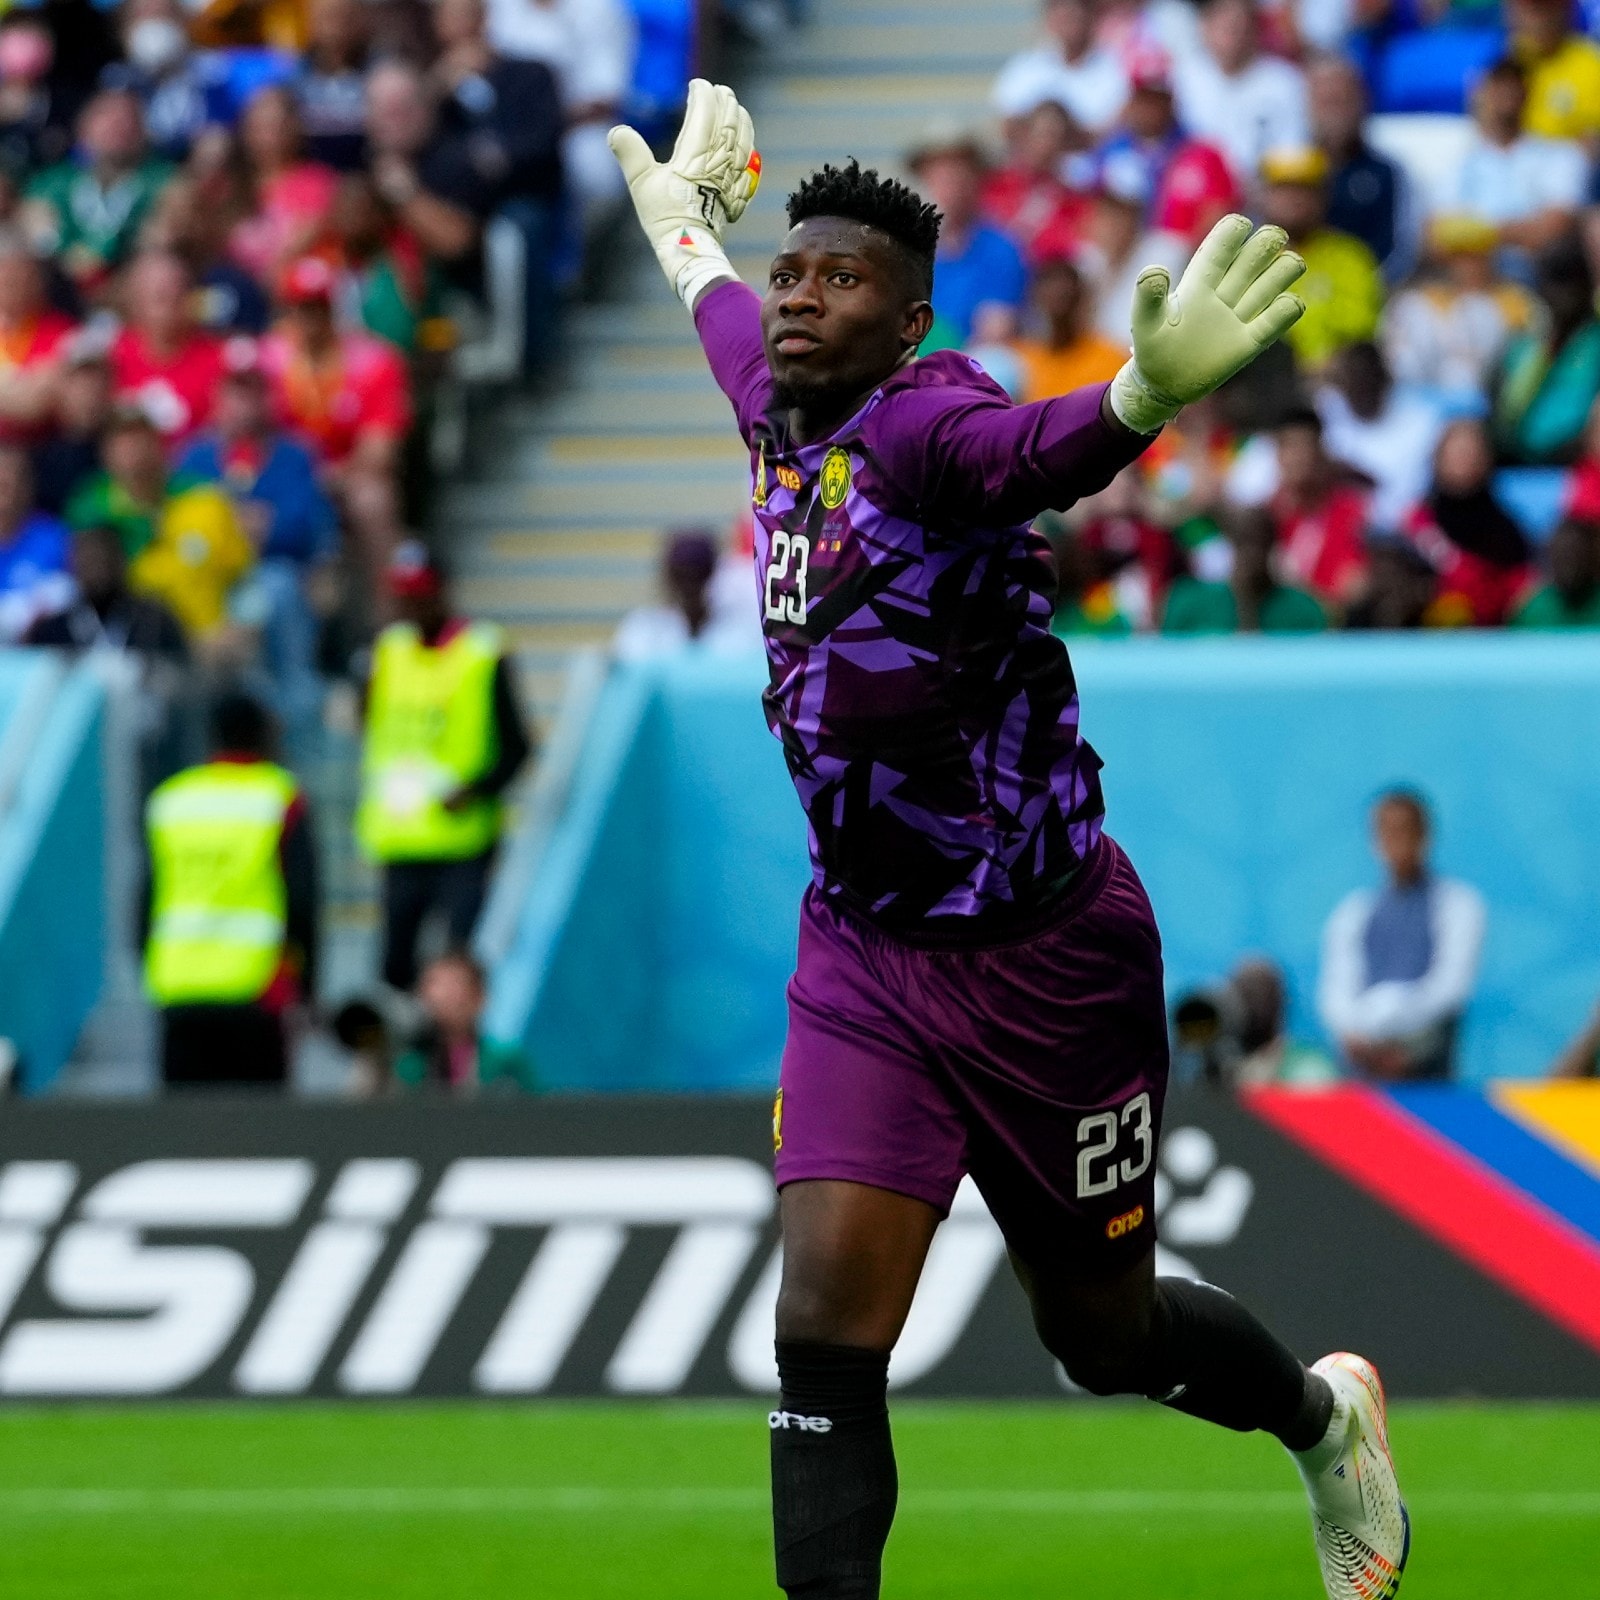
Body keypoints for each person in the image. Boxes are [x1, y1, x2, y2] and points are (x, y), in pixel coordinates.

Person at [611, 78, 1407, 1600]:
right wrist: (691, 236)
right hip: (863, 954)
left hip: (1049, 962)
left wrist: (1137, 401)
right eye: (794, 272)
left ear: (907, 323)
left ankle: (1323, 1418)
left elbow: (1034, 454)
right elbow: (718, 306)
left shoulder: (929, 426)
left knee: (1100, 1339)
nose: (798, 299)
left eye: (840, 282)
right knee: (823, 1338)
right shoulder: (777, 406)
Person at [357, 541, 531, 992]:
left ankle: (456, 1055)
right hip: (402, 839)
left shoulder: (481, 651)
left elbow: (518, 748)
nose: (411, 605)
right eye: (403, 595)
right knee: (395, 967)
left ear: (442, 592)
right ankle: (413, 1050)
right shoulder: (386, 652)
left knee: (461, 963)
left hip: (463, 842)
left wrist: (475, 790)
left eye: (420, 594)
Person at [142, 690, 316, 1087]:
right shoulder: (281, 796)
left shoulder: (172, 799)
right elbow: (302, 898)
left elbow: (147, 896)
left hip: (179, 985)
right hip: (256, 988)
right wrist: (307, 987)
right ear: (262, 736)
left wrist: (149, 965)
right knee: (259, 1136)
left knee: (184, 1135)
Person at [1318, 788, 1485, 1082]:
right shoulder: (1354, 912)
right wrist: (1360, 1034)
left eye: (1404, 830)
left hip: (1426, 1071)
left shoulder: (1458, 904)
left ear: (1425, 835)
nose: (1396, 841)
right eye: (1386, 831)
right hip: (1362, 1071)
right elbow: (1336, 991)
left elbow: (1450, 987)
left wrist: (1394, 1019)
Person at [68, 402, 254, 643]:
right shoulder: (90, 512)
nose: (134, 454)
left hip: (210, 641)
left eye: (141, 440)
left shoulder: (204, 501)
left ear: (160, 447)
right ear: (105, 454)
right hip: (133, 647)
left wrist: (246, 622)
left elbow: (243, 575)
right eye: (123, 444)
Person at [1441, 58, 1586, 274]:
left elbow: (1554, 226)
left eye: (1514, 85)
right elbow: (1437, 232)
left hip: (1527, 265)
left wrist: (1478, 235)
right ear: (1481, 94)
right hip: (1467, 267)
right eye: (1499, 86)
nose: (1507, 94)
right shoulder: (1459, 160)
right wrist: (1510, 232)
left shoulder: (1558, 154)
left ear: (1528, 93)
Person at [21, 87, 172, 294]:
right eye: (106, 116)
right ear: (83, 126)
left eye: (127, 118)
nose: (117, 125)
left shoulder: (164, 182)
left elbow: (161, 240)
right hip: (60, 293)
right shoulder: (52, 183)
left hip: (131, 295)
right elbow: (38, 237)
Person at [1381, 215, 1539, 405]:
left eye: (1475, 256)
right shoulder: (1419, 301)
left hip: (1492, 399)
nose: (1468, 266)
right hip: (1422, 399)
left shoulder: (1516, 303)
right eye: (1459, 258)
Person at [1090, 51, 1238, 250]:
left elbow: (1221, 216)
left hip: (1182, 259)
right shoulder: (1111, 152)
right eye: (1143, 98)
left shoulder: (1202, 155)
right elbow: (1089, 211)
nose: (1149, 107)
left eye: (1157, 98)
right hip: (1119, 258)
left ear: (1171, 100)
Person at [1258, 145, 1382, 372]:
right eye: (1285, 188)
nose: (1295, 199)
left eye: (1305, 189)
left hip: (1335, 382)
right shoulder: (1249, 257)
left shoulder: (1351, 256)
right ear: (1264, 195)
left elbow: (1359, 336)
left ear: (1323, 196)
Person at [1402, 419, 1532, 628]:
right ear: (1438, 459)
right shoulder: (1416, 521)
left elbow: (1518, 589)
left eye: (1471, 453)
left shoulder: (1505, 529)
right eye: (1457, 453)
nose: (1465, 460)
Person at [907, 128, 1028, 346]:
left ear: (977, 179)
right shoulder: (907, 247)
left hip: (969, 361)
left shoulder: (1001, 248)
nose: (949, 185)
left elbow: (996, 329)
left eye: (958, 173)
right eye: (938, 175)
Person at [1173, 0, 1308, 187]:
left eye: (1238, 25)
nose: (1232, 36)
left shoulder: (1284, 81)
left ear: (1255, 28)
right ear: (1204, 27)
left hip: (1266, 191)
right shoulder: (1183, 77)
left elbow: (1293, 151)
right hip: (1200, 191)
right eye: (1224, 26)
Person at [1306, 53, 1411, 284]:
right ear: (1309, 105)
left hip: (1369, 290)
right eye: (1327, 102)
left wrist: (1357, 287)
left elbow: (1399, 248)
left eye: (1343, 101)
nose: (1335, 114)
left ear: (1363, 102)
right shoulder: (1289, 172)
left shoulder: (1387, 173)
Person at [1316, 341, 1441, 534]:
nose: (1359, 389)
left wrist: (1363, 480)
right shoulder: (1327, 410)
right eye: (1351, 382)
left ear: (1383, 379)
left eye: (1366, 380)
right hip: (1334, 528)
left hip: (1398, 535)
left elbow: (1411, 501)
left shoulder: (1421, 419)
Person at [1496, 238, 1600, 465]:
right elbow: (1507, 413)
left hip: (1580, 464)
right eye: (1551, 284)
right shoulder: (1527, 340)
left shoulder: (1595, 339)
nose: (1560, 297)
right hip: (1519, 461)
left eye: (1570, 285)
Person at [110, 251, 227, 445]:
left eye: (180, 295)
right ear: (137, 303)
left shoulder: (219, 359)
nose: (173, 307)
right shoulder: (113, 354)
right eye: (161, 298)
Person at [1263, 406, 1370, 613]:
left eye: (1305, 447)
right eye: (1289, 447)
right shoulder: (1265, 518)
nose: (1298, 458)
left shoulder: (1350, 512)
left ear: (1321, 452)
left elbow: (1354, 586)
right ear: (1277, 454)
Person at [1161, 505, 1326, 632]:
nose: (1251, 554)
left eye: (1259, 542)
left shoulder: (1302, 609)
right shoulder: (1188, 604)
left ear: (1272, 546)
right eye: (1241, 542)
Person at [393, 949, 534, 1092]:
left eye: (454, 985)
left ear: (480, 996)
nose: (442, 996)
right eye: (435, 984)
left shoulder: (505, 1061)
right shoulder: (411, 1063)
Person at [991, 0, 1129, 134]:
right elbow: (1008, 124)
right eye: (1063, 17)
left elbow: (1112, 127)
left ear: (1091, 18)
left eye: (1075, 17)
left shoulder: (1115, 66)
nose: (1070, 25)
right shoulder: (1025, 66)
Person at [613, 526, 750, 660]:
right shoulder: (643, 629)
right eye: (681, 576)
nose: (689, 586)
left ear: (713, 574)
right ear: (669, 577)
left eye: (697, 575)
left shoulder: (739, 629)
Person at [1009, 252, 1127, 402]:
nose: (1058, 314)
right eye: (1050, 301)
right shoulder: (1019, 364)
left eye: (1066, 299)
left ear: (1084, 303)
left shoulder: (1110, 360)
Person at [0, 231, 74, 443]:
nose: (19, 285)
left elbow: (37, 405)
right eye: (9, 277)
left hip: (41, 447)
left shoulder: (62, 332)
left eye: (27, 276)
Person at [31, 335, 113, 512]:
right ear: (61, 387)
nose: (89, 390)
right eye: (79, 381)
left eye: (97, 379)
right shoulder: (40, 457)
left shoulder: (127, 446)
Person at [0, 442, 70, 640]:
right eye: (2, 485)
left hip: (37, 649)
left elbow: (64, 594)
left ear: (29, 488)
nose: (8, 496)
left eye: (17, 484)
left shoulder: (53, 536)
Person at [1508, 0, 1600, 145]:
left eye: (1546, 10)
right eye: (1530, 10)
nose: (1539, 19)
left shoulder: (1592, 64)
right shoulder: (1501, 58)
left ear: (1566, 10)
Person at [296, 0, 372, 172]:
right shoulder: (296, 75)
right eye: (328, 17)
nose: (336, 27)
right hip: (310, 175)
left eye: (344, 17)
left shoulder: (376, 71)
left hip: (365, 171)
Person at [1511, 516, 1600, 627]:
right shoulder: (1531, 609)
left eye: (1576, 555)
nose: (1569, 566)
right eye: (1563, 557)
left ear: (1592, 555)